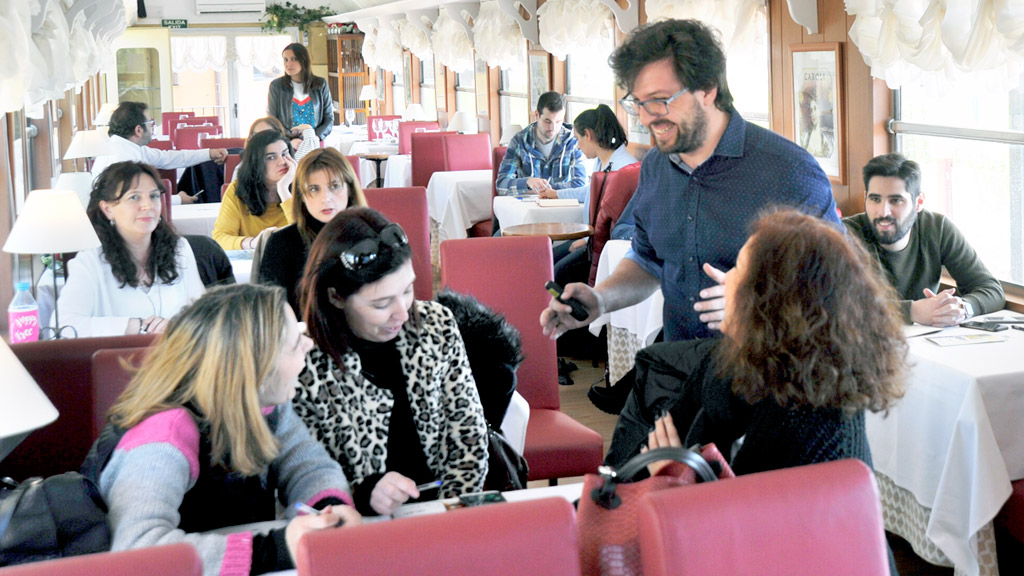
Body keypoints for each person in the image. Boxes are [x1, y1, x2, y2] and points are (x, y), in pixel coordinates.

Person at [541, 19, 840, 393]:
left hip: (770, 386)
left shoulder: (789, 172)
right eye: (638, 102)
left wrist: (758, 299)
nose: (648, 117)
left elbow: (838, 287)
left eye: (661, 100)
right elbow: (648, 259)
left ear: (708, 90)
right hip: (682, 375)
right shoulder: (655, 167)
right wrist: (601, 298)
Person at [81, 284, 360, 576]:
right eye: (294, 344)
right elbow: (138, 553)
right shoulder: (162, 438)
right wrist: (275, 549)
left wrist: (329, 507)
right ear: (255, 370)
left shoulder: (262, 402)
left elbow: (307, 464)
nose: (309, 345)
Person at [293, 208, 489, 516]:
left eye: (408, 290)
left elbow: (468, 435)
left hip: (442, 509)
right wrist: (361, 495)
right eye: (382, 303)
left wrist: (452, 514)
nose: (402, 312)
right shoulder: (305, 362)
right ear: (336, 297)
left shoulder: (436, 325)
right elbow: (302, 482)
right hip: (355, 527)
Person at [844, 153, 1004, 326]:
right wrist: (912, 311)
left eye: (896, 200)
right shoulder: (843, 234)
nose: (883, 212)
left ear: (918, 202)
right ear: (865, 198)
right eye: (875, 199)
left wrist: (962, 308)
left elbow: (992, 289)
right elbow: (838, 306)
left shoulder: (938, 228)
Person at [59, 161, 204, 337]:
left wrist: (177, 325)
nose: (148, 206)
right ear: (108, 209)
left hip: (177, 357)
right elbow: (65, 325)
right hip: (116, 360)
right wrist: (138, 326)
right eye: (134, 197)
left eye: (154, 196)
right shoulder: (89, 263)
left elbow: (201, 311)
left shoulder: (179, 249)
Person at [258, 148, 367, 313]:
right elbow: (269, 315)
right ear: (302, 196)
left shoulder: (370, 236)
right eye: (314, 189)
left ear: (349, 189)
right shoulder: (281, 243)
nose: (325, 198)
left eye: (334, 186)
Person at [552, 104, 639, 288]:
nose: (577, 145)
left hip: (601, 243)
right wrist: (556, 194)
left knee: (559, 271)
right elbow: (589, 192)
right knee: (548, 257)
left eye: (578, 139)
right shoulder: (600, 161)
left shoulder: (622, 170)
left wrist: (584, 241)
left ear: (589, 135)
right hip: (590, 238)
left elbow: (612, 219)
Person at [91, 102, 228, 204]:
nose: (153, 126)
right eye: (150, 122)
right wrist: (178, 200)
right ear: (138, 130)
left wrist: (209, 153)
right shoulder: (122, 158)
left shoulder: (130, 148)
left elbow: (168, 158)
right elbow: (131, 198)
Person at [495, 91, 589, 199]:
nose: (553, 128)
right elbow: (501, 185)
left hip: (561, 208)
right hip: (527, 210)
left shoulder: (572, 141)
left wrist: (549, 191)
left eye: (558, 121)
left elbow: (581, 183)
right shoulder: (519, 141)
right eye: (547, 121)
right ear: (536, 115)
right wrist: (527, 183)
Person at [212, 130, 295, 250]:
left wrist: (283, 190)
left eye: (284, 154)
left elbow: (306, 236)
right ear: (256, 163)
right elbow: (220, 238)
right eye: (271, 157)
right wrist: (253, 243)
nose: (282, 162)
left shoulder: (303, 187)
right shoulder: (238, 189)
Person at [268, 43, 333, 143]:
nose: (288, 64)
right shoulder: (276, 86)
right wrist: (289, 140)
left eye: (293, 59)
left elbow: (328, 118)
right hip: (287, 144)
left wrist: (316, 137)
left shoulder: (320, 85)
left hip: (315, 142)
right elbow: (273, 120)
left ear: (304, 61)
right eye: (285, 60)